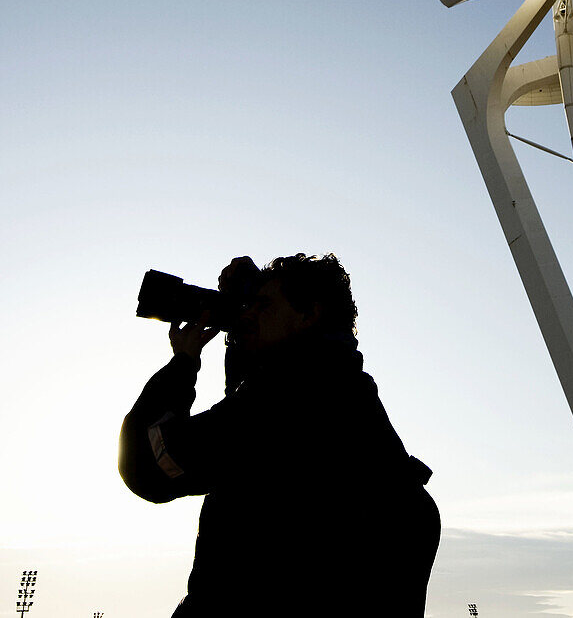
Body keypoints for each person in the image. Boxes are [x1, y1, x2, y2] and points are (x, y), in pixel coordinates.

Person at [119, 253, 440, 616]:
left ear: (309, 314)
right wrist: (251, 306)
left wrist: (182, 365)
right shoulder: (340, 389)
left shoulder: (294, 395)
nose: (248, 315)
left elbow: (149, 464)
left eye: (263, 305)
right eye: (248, 306)